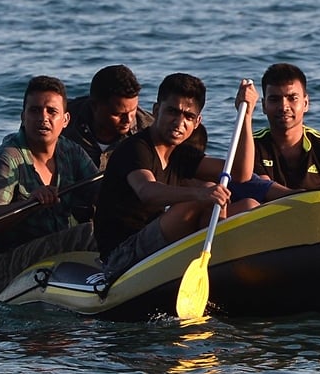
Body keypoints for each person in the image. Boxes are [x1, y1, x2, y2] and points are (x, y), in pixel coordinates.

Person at [92, 73, 259, 291]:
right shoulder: (135, 149)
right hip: (120, 256)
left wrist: (245, 115)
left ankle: (219, 266)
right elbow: (147, 191)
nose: (179, 123)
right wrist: (200, 195)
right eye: (172, 111)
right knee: (208, 193)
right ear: (155, 110)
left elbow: (240, 173)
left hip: (157, 245)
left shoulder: (182, 154)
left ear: (197, 122)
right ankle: (217, 269)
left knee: (250, 207)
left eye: (188, 116)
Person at [0, 75, 100, 295]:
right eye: (34, 111)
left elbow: (103, 195)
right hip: (4, 264)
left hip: (54, 254)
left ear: (66, 119)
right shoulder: (6, 158)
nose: (43, 118)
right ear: (23, 116)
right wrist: (31, 202)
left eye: (52, 111)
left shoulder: (72, 152)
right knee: (90, 233)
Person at [253, 62, 320, 191]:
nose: (283, 107)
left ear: (305, 103)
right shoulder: (252, 146)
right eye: (274, 99)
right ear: (264, 106)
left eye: (292, 98)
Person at [62, 64, 152, 170]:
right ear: (94, 106)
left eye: (133, 110)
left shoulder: (150, 129)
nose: (128, 120)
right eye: (118, 114)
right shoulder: (61, 121)